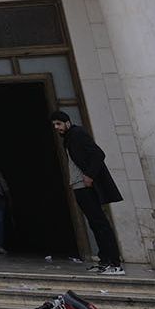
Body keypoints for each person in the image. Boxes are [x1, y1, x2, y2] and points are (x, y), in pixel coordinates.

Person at [51, 111, 126, 275]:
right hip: (79, 186)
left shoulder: (77, 134)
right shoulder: (69, 139)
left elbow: (98, 154)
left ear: (67, 122)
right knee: (94, 223)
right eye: (54, 125)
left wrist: (90, 175)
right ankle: (104, 260)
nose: (57, 128)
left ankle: (114, 262)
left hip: (86, 185)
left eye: (59, 124)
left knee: (100, 223)